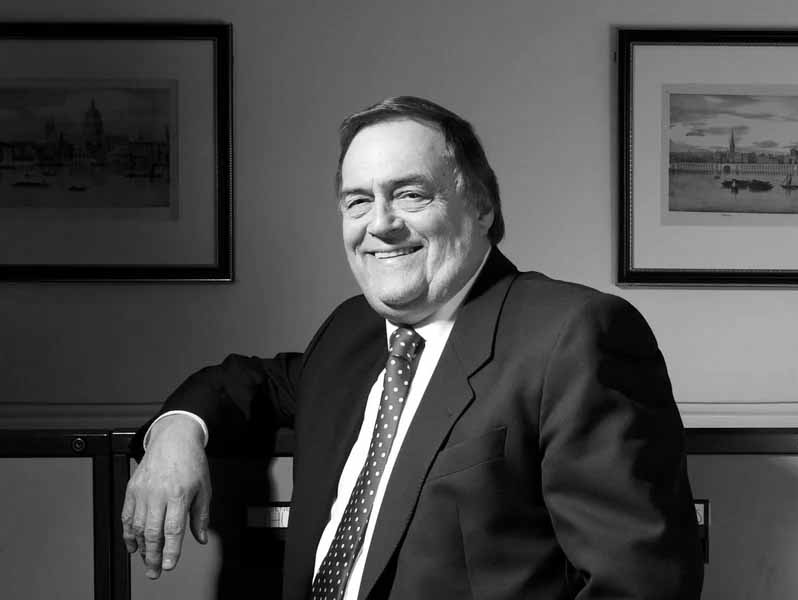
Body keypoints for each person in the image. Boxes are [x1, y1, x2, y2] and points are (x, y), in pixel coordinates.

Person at [121, 96, 704, 599]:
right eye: (357, 201)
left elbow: (641, 585)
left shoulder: (575, 335)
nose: (380, 224)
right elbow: (245, 383)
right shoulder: (352, 332)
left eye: (410, 195)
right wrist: (176, 433)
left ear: (480, 206)